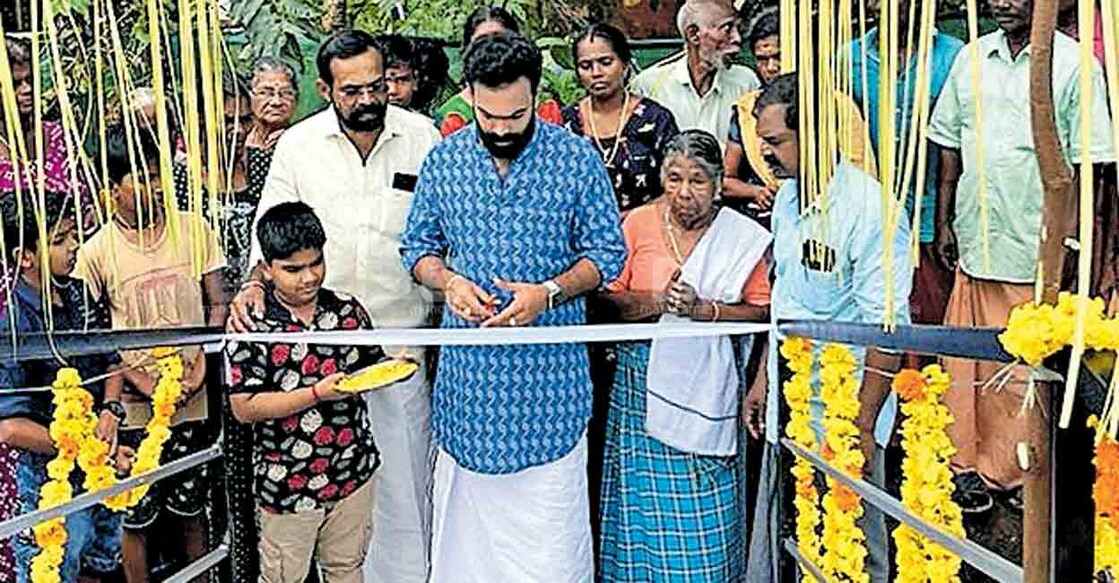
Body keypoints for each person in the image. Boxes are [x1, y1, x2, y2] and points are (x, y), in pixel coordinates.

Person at [400, 31, 626, 582]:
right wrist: (448, 282)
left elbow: (608, 253)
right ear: (469, 95)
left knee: (549, 547)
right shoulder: (445, 160)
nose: (501, 129)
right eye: (488, 115)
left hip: (550, 390)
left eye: (516, 116)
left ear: (538, 95)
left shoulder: (575, 158)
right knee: (465, 548)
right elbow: (417, 248)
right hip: (469, 388)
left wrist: (548, 292)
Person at [227, 30, 439, 583]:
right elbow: (267, 233)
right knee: (319, 489)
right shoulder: (296, 146)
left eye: (377, 86)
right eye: (351, 91)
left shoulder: (423, 138)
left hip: (399, 341)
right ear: (325, 88)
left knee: (403, 478)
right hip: (312, 352)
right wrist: (254, 286)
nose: (368, 100)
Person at [928, 0, 1115, 512]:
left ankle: (1016, 476)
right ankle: (965, 467)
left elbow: (1092, 170)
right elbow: (949, 146)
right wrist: (945, 220)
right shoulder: (970, 58)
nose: (1001, 2)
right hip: (975, 238)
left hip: (1034, 248)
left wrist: (1076, 247)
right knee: (964, 368)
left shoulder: (1076, 66)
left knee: (1018, 376)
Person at [746, 73, 911, 583]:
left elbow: (888, 330)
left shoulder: (871, 210)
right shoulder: (787, 201)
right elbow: (786, 301)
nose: (765, 154)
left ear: (814, 134)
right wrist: (762, 380)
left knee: (861, 548)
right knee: (795, 536)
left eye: (775, 142)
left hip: (848, 412)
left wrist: (860, 427)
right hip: (791, 405)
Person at [598, 130, 771, 581]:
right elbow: (606, 301)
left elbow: (763, 311)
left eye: (697, 181)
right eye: (674, 179)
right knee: (642, 510)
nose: (684, 193)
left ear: (718, 186)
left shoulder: (742, 238)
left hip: (711, 388)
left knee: (704, 517)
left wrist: (703, 311)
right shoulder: (637, 224)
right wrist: (658, 302)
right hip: (639, 389)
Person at [74, 125, 226, 583]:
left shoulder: (193, 229)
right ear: (111, 188)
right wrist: (141, 385)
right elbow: (96, 338)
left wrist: (199, 365)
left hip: (194, 398)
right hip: (138, 411)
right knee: (136, 514)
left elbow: (216, 303)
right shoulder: (96, 252)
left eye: (159, 175)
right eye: (141, 178)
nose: (156, 187)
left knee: (192, 507)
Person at [226, 202, 385, 583]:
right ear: (266, 269)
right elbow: (243, 408)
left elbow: (371, 367)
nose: (308, 277)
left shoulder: (347, 312)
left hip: (352, 472)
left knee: (346, 569)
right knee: (284, 578)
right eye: (292, 269)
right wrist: (315, 393)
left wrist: (396, 365)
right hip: (288, 484)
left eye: (315, 263)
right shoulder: (252, 324)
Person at [0, 194, 125, 583]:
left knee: (101, 558)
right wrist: (88, 445)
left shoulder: (78, 294)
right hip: (48, 473)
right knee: (55, 565)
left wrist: (111, 411)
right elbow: (9, 427)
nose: (75, 247)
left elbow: (113, 361)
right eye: (60, 239)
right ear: (25, 256)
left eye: (75, 235)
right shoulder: (12, 322)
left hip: (99, 459)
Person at [224, 56, 300, 583]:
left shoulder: (299, 149)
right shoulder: (225, 151)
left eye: (283, 91)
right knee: (235, 432)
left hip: (283, 296)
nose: (274, 100)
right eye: (264, 90)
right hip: (225, 300)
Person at [849, 0, 963, 340]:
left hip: (932, 219)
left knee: (931, 328)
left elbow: (957, 144)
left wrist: (944, 223)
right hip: (869, 222)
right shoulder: (847, 59)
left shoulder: (955, 55)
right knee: (876, 325)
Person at [724, 10, 876, 228]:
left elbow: (859, 171)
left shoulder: (836, 105)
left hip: (830, 220)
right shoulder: (747, 109)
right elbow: (727, 179)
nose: (771, 68)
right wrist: (758, 192)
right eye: (762, 60)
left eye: (779, 57)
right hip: (764, 223)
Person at [562, 23, 679, 214]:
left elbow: (676, 186)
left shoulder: (655, 119)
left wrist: (628, 220)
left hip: (644, 231)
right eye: (586, 66)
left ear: (624, 63)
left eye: (606, 62)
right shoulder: (566, 122)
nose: (596, 73)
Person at [629, 0, 759, 146]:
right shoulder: (649, 85)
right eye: (727, 29)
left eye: (738, 29)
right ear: (693, 35)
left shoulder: (746, 82)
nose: (737, 39)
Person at [432, 6, 562, 137]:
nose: (491, 51)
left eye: (499, 40)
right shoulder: (452, 114)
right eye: (481, 43)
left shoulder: (543, 106)